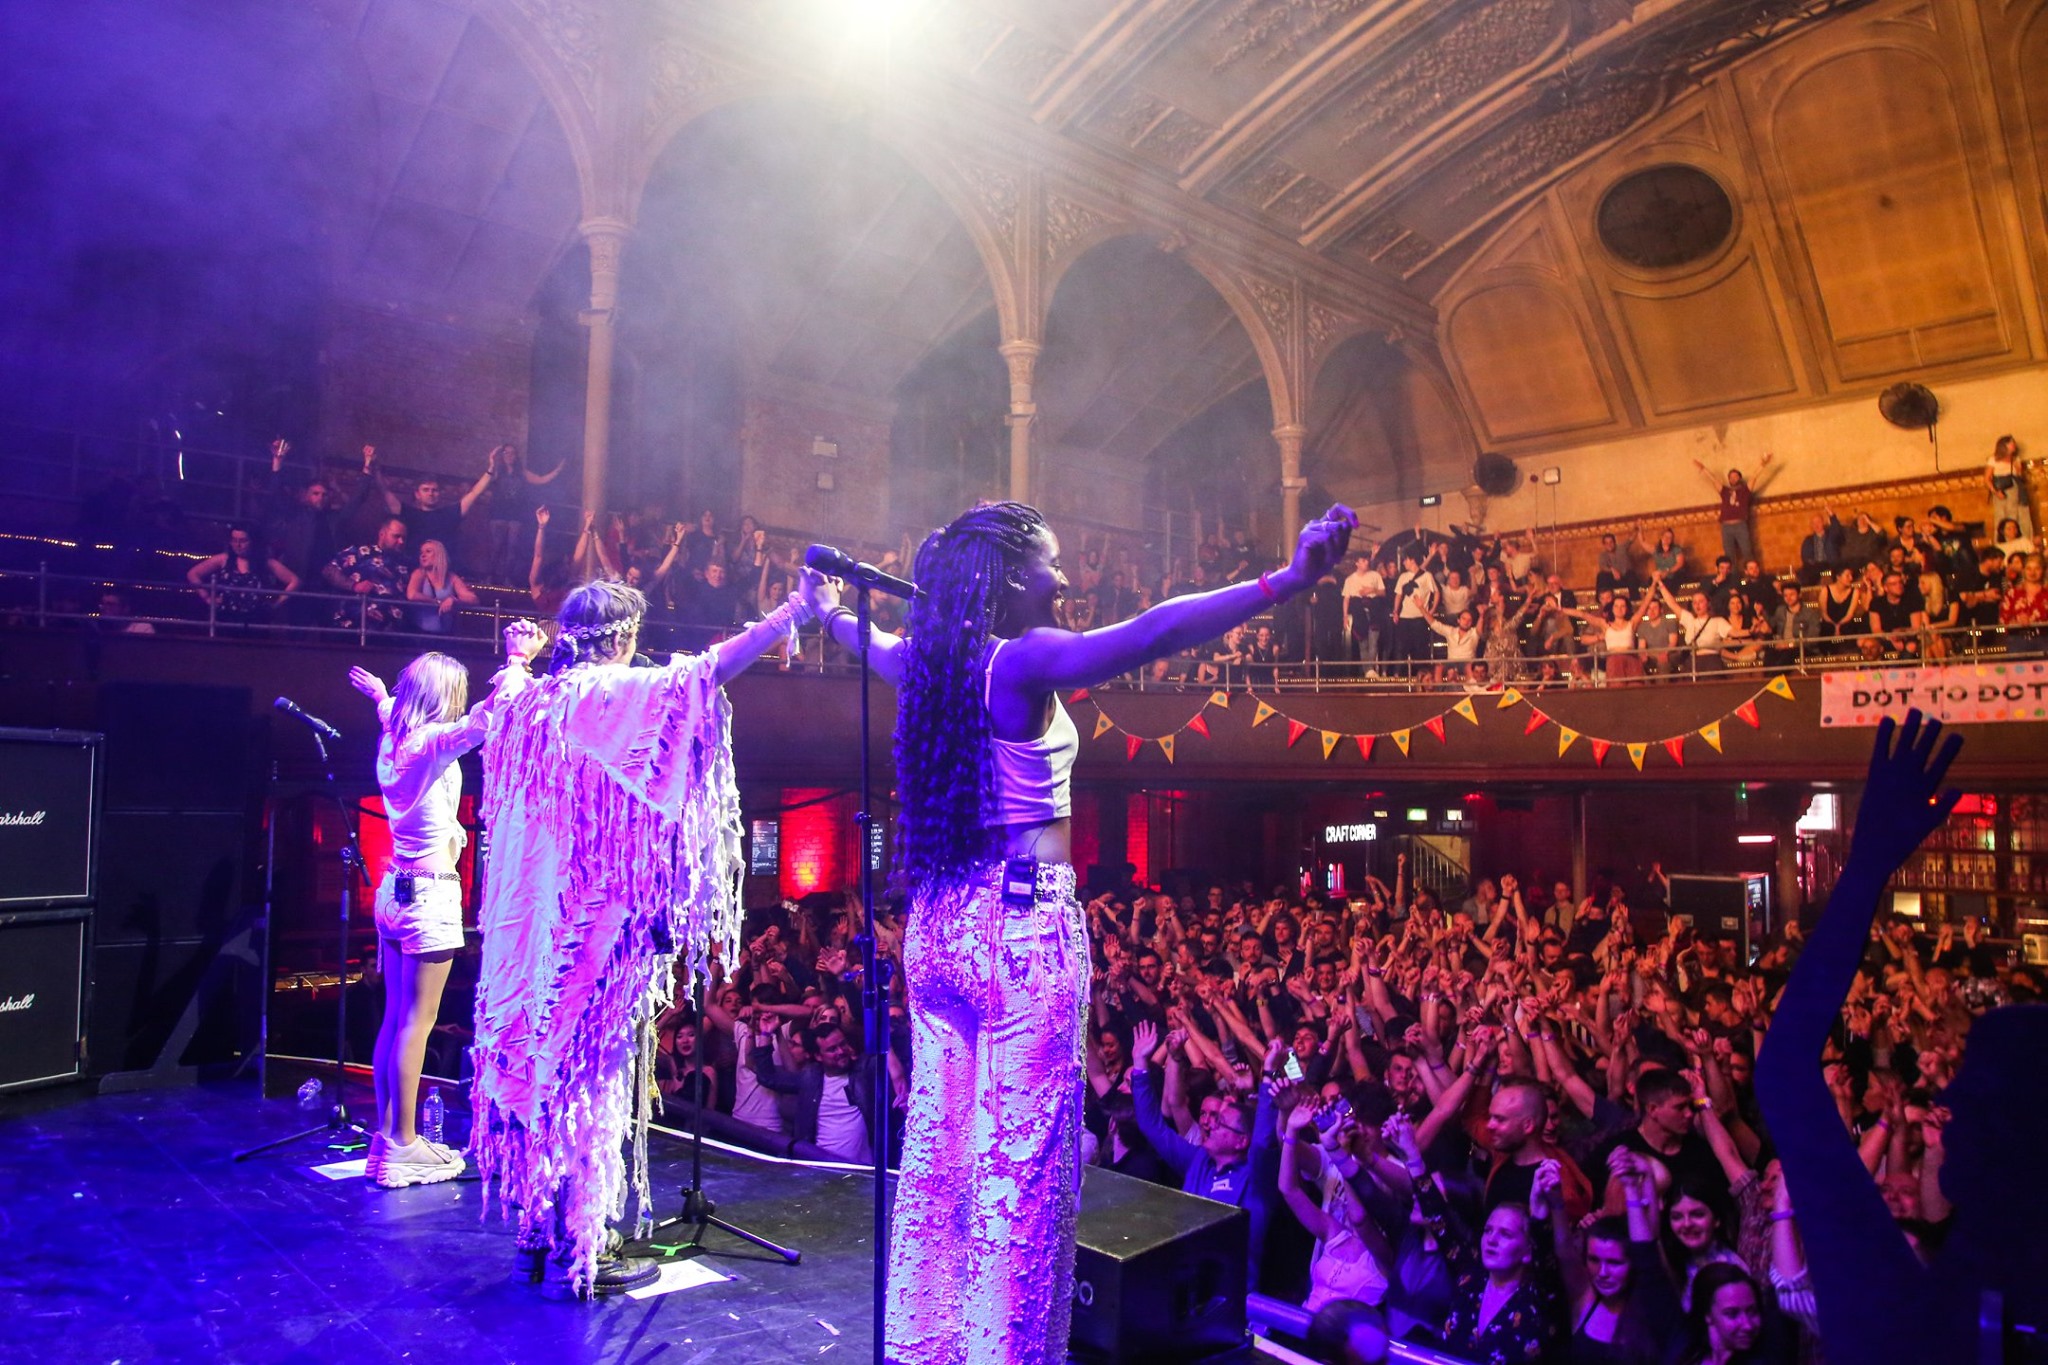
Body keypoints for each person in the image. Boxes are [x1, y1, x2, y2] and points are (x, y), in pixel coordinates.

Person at [797, 499, 1355, 1365]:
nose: (1062, 578)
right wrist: (1284, 582)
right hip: (1019, 930)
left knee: (941, 1160)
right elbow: (1154, 631)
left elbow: (867, 642)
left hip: (939, 928)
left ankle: (924, 1345)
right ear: (1010, 577)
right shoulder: (1022, 661)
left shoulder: (928, 664)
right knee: (1018, 1172)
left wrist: (828, 610)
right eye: (1051, 564)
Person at [467, 577, 812, 1298]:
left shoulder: (527, 706)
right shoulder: (610, 695)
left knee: (537, 1077)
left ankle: (536, 1234)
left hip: (521, 941)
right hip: (585, 939)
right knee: (587, 1083)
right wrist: (792, 612)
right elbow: (705, 672)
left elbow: (505, 695)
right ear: (623, 636)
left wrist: (516, 660)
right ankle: (580, 1250)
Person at [1756, 711, 2048, 1363]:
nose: (1946, 1108)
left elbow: (1783, 1074)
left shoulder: (1902, 1304)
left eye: (1971, 1096)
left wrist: (1867, 869)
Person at [347, 621, 545, 1189]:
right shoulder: (432, 743)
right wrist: (517, 659)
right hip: (428, 895)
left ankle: (389, 1139)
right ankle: (403, 1145)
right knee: (416, 1024)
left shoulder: (394, 736)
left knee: (395, 1020)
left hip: (395, 891)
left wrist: (380, 694)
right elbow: (490, 717)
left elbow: (389, 710)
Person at [187, 523, 298, 628]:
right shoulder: (224, 559)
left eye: (243, 541)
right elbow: (193, 574)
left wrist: (276, 604)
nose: (238, 545)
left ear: (253, 541)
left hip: (256, 620)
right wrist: (207, 598)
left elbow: (295, 581)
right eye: (234, 540)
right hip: (226, 618)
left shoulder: (265, 562)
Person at [1692, 455, 1775, 566]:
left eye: (1735, 476)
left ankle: (1751, 574)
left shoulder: (1745, 490)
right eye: (1731, 477)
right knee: (1729, 556)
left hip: (1740, 525)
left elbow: (1754, 476)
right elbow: (1713, 479)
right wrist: (1703, 468)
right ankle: (1733, 576)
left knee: (1747, 552)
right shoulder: (1725, 491)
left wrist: (1763, 464)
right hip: (1726, 527)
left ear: (1740, 478)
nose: (1733, 478)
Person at [405, 539, 478, 635]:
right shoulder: (419, 574)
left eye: (428, 551)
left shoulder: (451, 577)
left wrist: (454, 600)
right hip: (421, 633)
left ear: (439, 555)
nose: (423, 555)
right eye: (421, 553)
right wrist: (437, 602)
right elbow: (412, 594)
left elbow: (473, 599)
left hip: (446, 633)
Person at [1986, 435, 2032, 540]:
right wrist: (1995, 492)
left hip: (2015, 489)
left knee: (2017, 515)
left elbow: (2019, 477)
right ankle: (2002, 540)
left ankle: (2021, 539)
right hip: (2000, 491)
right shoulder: (1993, 459)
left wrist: (2018, 469)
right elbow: (1987, 479)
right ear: (2004, 446)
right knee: (2002, 516)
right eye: (2011, 443)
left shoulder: (2015, 459)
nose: (2014, 445)